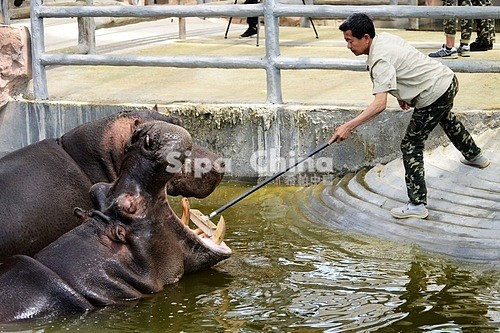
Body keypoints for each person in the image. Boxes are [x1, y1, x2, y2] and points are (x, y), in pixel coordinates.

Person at [331, 13, 490, 219]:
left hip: (433, 93)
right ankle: (475, 156)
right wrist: (402, 92)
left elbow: (379, 105)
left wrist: (348, 126)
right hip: (447, 81)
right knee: (445, 117)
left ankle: (417, 204)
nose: (348, 46)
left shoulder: (379, 60)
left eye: (350, 41)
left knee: (411, 144)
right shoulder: (385, 38)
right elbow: (407, 63)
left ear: (366, 38)